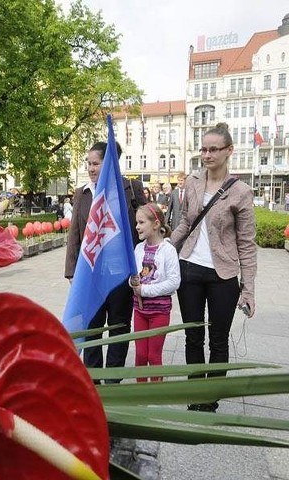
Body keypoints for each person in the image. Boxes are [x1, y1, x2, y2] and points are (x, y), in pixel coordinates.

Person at [170, 122, 257, 412]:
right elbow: (185, 222)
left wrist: (249, 289)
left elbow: (246, 243)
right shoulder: (192, 182)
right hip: (189, 269)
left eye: (213, 149)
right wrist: (166, 249)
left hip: (224, 275)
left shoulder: (242, 192)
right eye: (203, 149)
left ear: (228, 151)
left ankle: (210, 399)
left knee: (218, 341)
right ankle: (196, 393)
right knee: (193, 336)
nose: (206, 154)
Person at [64, 141, 147, 377]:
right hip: (91, 273)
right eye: (88, 163)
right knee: (92, 327)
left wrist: (145, 265)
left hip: (122, 275)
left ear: (110, 163)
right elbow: (75, 235)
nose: (91, 168)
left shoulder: (130, 188)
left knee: (119, 329)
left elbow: (145, 224)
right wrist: (72, 272)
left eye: (96, 163)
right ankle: (94, 380)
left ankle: (113, 379)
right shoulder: (83, 193)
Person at [130, 203, 180, 382]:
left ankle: (155, 391)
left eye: (141, 222)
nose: (137, 226)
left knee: (153, 355)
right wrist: (132, 282)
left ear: (156, 224)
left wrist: (145, 290)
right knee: (141, 355)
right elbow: (134, 275)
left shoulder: (168, 250)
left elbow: (174, 282)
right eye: (137, 222)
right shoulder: (138, 249)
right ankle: (140, 392)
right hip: (140, 311)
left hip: (159, 312)